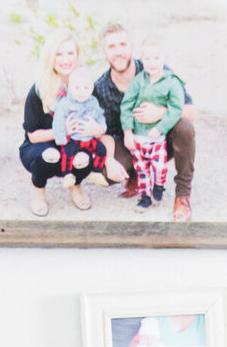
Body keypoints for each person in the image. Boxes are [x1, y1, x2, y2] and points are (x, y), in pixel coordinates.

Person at [94, 21, 197, 221]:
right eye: (111, 47)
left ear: (131, 47)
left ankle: (183, 196)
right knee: (105, 170)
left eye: (122, 45)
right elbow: (102, 132)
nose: (118, 52)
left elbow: (192, 112)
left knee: (185, 127)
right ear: (104, 52)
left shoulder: (155, 66)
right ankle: (135, 175)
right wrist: (109, 159)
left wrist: (161, 112)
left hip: (161, 139)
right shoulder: (101, 88)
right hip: (132, 142)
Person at [20, 32, 97, 217]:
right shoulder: (39, 88)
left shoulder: (85, 86)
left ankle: (75, 185)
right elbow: (33, 135)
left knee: (86, 155)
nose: (65, 60)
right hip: (42, 146)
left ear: (78, 56)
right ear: (50, 57)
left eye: (70, 53)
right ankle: (38, 190)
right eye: (58, 54)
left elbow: (97, 121)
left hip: (74, 145)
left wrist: (96, 129)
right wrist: (62, 131)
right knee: (49, 154)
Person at [121, 40, 187, 211]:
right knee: (141, 169)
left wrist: (160, 127)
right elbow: (126, 105)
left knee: (159, 167)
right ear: (141, 60)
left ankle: (158, 185)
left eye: (156, 58)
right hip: (138, 137)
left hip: (157, 138)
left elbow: (176, 108)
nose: (151, 63)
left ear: (164, 58)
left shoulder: (171, 82)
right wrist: (128, 131)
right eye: (147, 58)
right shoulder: (138, 81)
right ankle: (145, 197)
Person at [42, 63, 128, 187]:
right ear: (70, 88)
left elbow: (100, 115)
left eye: (85, 88)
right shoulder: (65, 104)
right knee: (68, 153)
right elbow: (58, 121)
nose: (81, 92)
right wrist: (61, 138)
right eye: (77, 88)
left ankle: (96, 172)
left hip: (88, 138)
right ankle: (67, 174)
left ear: (91, 89)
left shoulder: (93, 102)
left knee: (101, 150)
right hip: (74, 138)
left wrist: (101, 128)